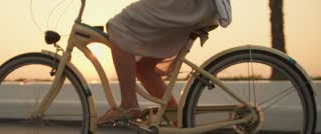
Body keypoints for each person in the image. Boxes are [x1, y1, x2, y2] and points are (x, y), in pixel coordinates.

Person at [97, 0, 229, 124]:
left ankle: (128, 104)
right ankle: (176, 119)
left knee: (119, 26)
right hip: (204, 6)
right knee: (144, 68)